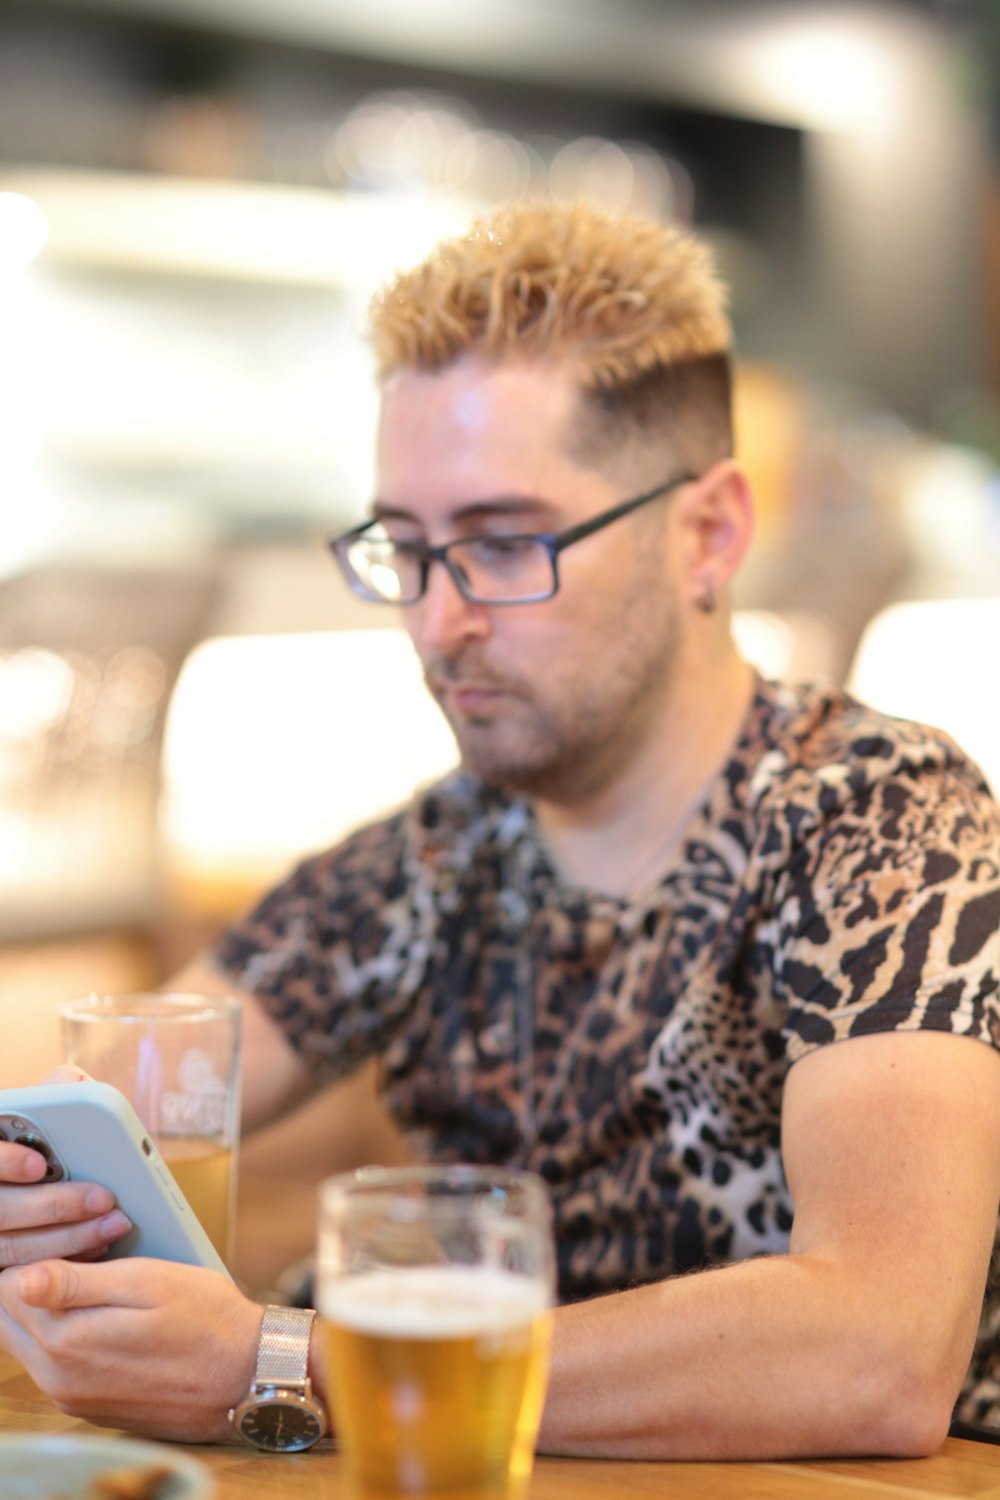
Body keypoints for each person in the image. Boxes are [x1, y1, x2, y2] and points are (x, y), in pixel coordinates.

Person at [1, 199, 999, 1460]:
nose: (437, 623)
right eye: (407, 551)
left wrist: (283, 1362)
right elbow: (127, 1090)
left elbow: (877, 1347)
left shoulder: (875, 821)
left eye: (504, 543)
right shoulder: (436, 856)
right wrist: (41, 1192)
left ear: (709, 531)